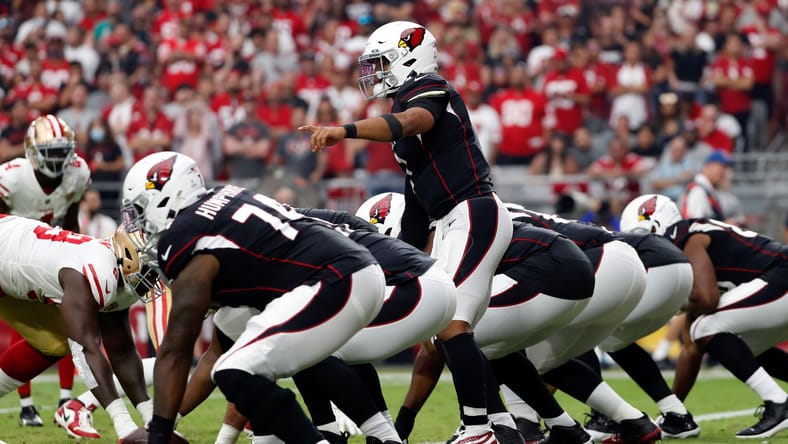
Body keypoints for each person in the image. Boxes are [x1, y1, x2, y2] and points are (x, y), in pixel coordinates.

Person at [300, 21, 513, 443]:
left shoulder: (429, 88)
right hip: (452, 218)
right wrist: (395, 266)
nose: (373, 74)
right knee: (448, 328)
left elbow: (414, 120)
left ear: (408, 56)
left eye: (380, 63)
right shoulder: (406, 138)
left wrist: (345, 131)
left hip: (474, 210)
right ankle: (497, 426)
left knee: (452, 324)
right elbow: (416, 209)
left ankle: (479, 430)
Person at [120, 152, 386, 444]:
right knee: (251, 362)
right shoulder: (227, 195)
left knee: (233, 369)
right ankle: (385, 436)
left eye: (140, 210)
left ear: (167, 196)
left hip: (332, 281)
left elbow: (176, 348)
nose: (140, 224)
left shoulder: (185, 234)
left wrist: (158, 434)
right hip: (352, 273)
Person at [621, 194, 788, 439]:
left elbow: (708, 300)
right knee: (736, 346)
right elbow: (692, 346)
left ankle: (778, 403)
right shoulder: (690, 238)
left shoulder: (688, 237)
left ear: (658, 228)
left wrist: (674, 305)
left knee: (705, 327)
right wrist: (674, 411)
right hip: (776, 282)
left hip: (781, 276)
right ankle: (676, 419)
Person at [0, 215, 159, 441]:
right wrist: (123, 424)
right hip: (5, 247)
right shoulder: (96, 269)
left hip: (11, 264)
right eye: (152, 264)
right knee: (78, 343)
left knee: (53, 343)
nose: (155, 274)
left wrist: (152, 418)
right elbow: (85, 352)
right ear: (130, 253)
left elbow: (122, 351)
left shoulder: (118, 274)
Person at [0, 114, 89, 427]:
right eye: (50, 152)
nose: (59, 159)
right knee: (36, 329)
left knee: (62, 332)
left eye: (63, 151)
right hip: (11, 259)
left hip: (50, 256)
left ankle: (66, 400)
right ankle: (28, 404)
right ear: (31, 151)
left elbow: (73, 218)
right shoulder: (11, 178)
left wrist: (78, 250)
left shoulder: (77, 173)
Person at [679, 151, 731, 220]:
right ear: (708, 166)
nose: (724, 173)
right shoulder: (697, 191)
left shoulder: (706, 190)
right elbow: (694, 226)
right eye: (721, 167)